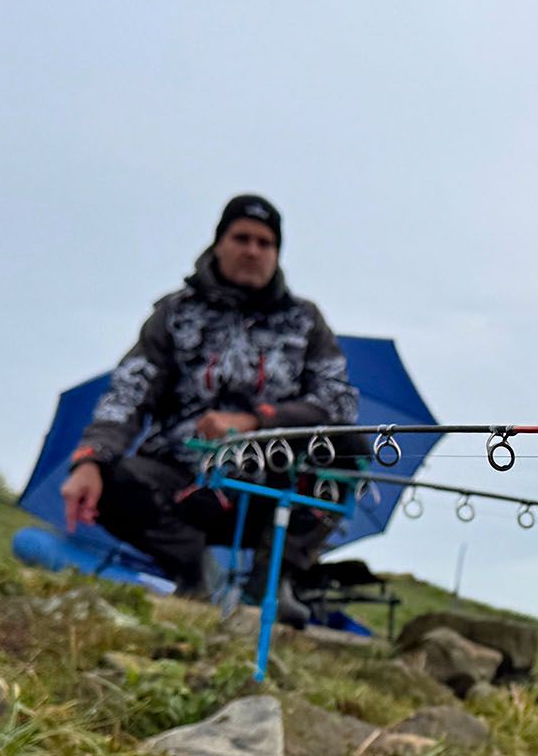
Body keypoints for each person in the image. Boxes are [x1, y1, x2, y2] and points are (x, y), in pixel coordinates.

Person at [60, 194, 356, 620]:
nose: (252, 250)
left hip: (274, 485)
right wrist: (90, 458)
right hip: (183, 480)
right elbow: (129, 390)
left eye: (265, 242)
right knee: (109, 477)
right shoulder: (174, 312)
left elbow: (337, 401)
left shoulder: (306, 321)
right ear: (219, 243)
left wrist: (256, 422)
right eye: (241, 238)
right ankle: (196, 577)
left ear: (277, 253)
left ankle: (271, 582)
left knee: (349, 449)